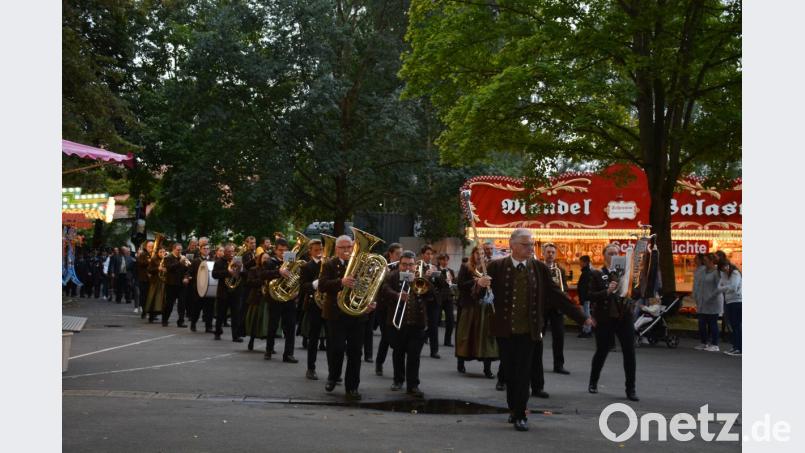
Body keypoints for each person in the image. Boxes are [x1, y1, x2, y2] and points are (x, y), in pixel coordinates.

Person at [476, 228, 592, 432]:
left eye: (531, 244)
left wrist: (582, 317)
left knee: (523, 373)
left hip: (530, 330)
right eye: (525, 244)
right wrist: (479, 284)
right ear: (512, 245)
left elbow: (557, 295)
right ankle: (513, 409)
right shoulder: (496, 266)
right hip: (504, 330)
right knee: (510, 373)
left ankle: (520, 414)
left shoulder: (539, 268)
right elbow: (475, 295)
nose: (531, 247)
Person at [319, 234, 376, 401]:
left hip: (356, 315)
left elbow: (370, 285)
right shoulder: (329, 264)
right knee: (336, 349)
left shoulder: (361, 265)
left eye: (349, 247)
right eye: (343, 247)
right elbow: (322, 286)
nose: (346, 250)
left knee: (355, 353)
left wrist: (370, 302)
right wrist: (341, 281)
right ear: (336, 249)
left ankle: (352, 388)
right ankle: (333, 376)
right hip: (336, 315)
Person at [588, 243, 639, 402]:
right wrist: (607, 291)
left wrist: (633, 294)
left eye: (616, 253)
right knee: (602, 350)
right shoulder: (597, 274)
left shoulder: (627, 275)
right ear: (604, 256)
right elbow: (589, 295)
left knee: (629, 352)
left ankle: (630, 388)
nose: (614, 256)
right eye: (610, 253)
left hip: (624, 316)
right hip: (605, 317)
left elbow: (637, 292)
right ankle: (593, 382)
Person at [382, 250, 427, 397]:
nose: (407, 268)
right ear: (399, 264)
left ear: (415, 265)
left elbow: (432, 296)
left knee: (414, 355)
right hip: (396, 323)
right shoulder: (392, 276)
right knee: (398, 352)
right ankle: (398, 380)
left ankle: (413, 385)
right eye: (404, 264)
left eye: (411, 265)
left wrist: (429, 280)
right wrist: (397, 295)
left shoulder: (421, 277)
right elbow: (384, 290)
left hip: (417, 323)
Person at [455, 245, 498, 378]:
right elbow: (460, 285)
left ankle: (487, 368)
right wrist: (477, 282)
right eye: (477, 253)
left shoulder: (489, 268)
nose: (480, 256)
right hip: (470, 307)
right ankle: (461, 362)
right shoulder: (466, 267)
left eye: (483, 254)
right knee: (466, 335)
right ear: (473, 254)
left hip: (485, 308)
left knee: (486, 338)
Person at [264, 239, 299, 362]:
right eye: (280, 250)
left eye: (285, 250)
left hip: (289, 298)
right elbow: (263, 274)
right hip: (274, 298)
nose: (282, 252)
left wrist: (297, 290)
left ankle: (288, 354)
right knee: (272, 325)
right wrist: (278, 271)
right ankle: (268, 350)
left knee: (290, 327)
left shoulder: (291, 261)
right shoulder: (270, 261)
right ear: (275, 250)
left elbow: (297, 276)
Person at [300, 239, 327, 379]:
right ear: (310, 251)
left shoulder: (328, 264)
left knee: (332, 339)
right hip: (313, 306)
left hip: (328, 305)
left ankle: (333, 372)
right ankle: (311, 368)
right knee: (313, 337)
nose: (319, 252)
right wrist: (315, 284)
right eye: (316, 250)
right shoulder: (306, 267)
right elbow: (303, 286)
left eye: (320, 249)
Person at [375, 243, 403, 376]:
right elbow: (378, 287)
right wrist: (383, 273)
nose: (400, 256)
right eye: (397, 254)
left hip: (396, 307)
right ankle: (379, 363)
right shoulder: (383, 267)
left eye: (401, 254)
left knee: (396, 338)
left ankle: (397, 370)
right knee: (386, 337)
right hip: (383, 307)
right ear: (391, 254)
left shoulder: (402, 268)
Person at [212, 243, 244, 342]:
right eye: (229, 251)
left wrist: (241, 269)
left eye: (232, 251)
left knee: (236, 315)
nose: (231, 253)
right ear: (225, 252)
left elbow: (245, 274)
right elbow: (214, 274)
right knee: (221, 314)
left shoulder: (238, 261)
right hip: (223, 292)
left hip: (236, 292)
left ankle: (235, 336)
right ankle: (217, 333)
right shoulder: (219, 262)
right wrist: (228, 272)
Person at [693, 253, 722, 351]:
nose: (704, 262)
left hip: (713, 301)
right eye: (703, 260)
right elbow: (698, 284)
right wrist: (696, 295)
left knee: (712, 322)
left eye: (705, 260)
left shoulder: (716, 272)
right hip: (702, 301)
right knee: (701, 322)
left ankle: (715, 344)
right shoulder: (703, 271)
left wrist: (711, 296)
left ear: (711, 261)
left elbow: (720, 287)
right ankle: (703, 342)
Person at [715, 251, 742, 356]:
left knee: (736, 325)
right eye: (722, 269)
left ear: (728, 265)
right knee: (732, 325)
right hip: (729, 300)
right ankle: (735, 346)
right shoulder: (723, 274)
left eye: (725, 267)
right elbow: (718, 287)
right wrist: (726, 288)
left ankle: (739, 348)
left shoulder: (735, 273)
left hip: (737, 301)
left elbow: (734, 288)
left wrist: (724, 288)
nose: (724, 270)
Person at [244, 252, 271, 350]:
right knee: (254, 321)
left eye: (268, 258)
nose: (266, 260)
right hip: (256, 298)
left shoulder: (271, 270)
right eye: (264, 258)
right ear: (260, 259)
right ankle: (251, 340)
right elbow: (249, 282)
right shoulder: (253, 269)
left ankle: (270, 345)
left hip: (267, 298)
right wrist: (262, 280)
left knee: (268, 322)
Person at [188, 239, 215, 332]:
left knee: (209, 310)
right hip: (198, 288)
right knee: (196, 308)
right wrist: (187, 277)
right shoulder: (196, 261)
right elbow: (189, 272)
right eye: (204, 248)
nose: (206, 250)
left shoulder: (213, 261)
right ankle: (193, 324)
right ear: (200, 249)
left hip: (210, 289)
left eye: (208, 248)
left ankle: (209, 327)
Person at [419, 245, 441, 359]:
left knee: (434, 326)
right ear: (423, 255)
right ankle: (417, 347)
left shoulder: (434, 266)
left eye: (431, 254)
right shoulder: (419, 265)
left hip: (434, 300)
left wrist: (438, 275)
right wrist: (425, 275)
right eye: (427, 253)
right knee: (422, 325)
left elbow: (440, 284)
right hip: (423, 300)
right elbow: (417, 281)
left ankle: (434, 351)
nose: (430, 256)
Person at [163, 243, 190, 327]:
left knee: (182, 304)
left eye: (181, 250)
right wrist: (179, 262)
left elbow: (187, 270)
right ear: (173, 249)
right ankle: (165, 319)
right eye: (178, 250)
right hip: (171, 284)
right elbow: (170, 268)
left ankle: (181, 321)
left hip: (182, 284)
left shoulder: (182, 258)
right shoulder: (168, 258)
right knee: (169, 303)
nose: (179, 251)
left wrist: (186, 277)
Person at [434, 253, 457, 348]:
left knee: (450, 319)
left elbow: (453, 283)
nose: (445, 262)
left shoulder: (450, 271)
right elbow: (437, 282)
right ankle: (427, 335)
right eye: (443, 260)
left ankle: (447, 341)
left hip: (448, 297)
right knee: (437, 320)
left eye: (447, 260)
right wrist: (445, 278)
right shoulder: (436, 270)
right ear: (439, 260)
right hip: (439, 297)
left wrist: (453, 281)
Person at [144, 246, 167, 323]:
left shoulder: (166, 260)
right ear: (158, 253)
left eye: (163, 252)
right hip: (155, 282)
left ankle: (164, 318)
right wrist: (158, 269)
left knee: (163, 300)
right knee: (153, 299)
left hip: (163, 282)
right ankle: (151, 316)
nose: (162, 253)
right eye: (161, 252)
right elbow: (149, 269)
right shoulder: (154, 259)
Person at [576, 255, 593, 338]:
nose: (580, 263)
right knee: (586, 313)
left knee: (586, 314)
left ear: (585, 262)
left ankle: (587, 330)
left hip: (585, 297)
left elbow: (583, 287)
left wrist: (582, 299)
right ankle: (587, 329)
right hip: (586, 297)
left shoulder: (586, 273)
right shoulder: (587, 272)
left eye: (581, 262)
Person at [136, 241, 153, 317]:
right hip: (144, 278)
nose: (151, 248)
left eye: (152, 247)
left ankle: (152, 313)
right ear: (146, 247)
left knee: (152, 296)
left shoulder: (154, 255)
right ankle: (144, 311)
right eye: (149, 247)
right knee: (144, 296)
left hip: (153, 279)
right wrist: (149, 261)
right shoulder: (143, 254)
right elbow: (140, 263)